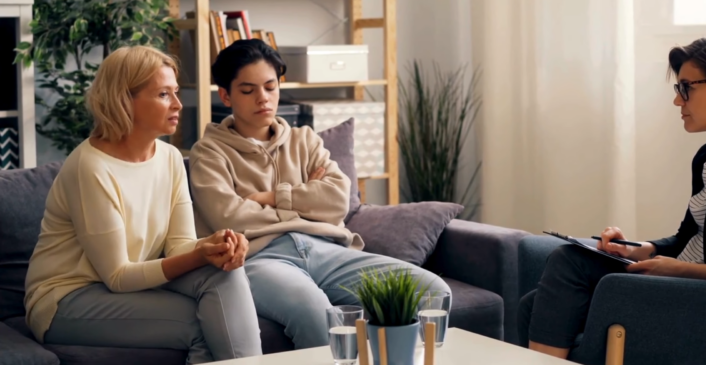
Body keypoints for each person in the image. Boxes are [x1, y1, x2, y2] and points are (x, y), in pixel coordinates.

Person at [518, 35, 706, 359]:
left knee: (569, 262)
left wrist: (681, 271)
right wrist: (639, 249)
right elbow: (689, 237)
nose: (678, 101)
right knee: (533, 304)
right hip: (681, 281)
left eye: (686, 88)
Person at [188, 39, 452, 349]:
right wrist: (307, 200)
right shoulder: (209, 152)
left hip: (327, 250)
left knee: (432, 290)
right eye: (248, 91)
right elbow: (229, 216)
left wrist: (269, 197)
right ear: (225, 96)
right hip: (261, 259)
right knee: (316, 312)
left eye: (271, 87)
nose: (263, 98)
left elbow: (338, 200)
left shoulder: (305, 140)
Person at [24, 46, 262, 364]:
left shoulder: (171, 158)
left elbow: (179, 246)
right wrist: (200, 254)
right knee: (206, 322)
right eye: (164, 94)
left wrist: (216, 245)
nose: (178, 104)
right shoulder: (91, 167)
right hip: (68, 298)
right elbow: (119, 276)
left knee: (226, 275)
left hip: (125, 286)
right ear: (124, 100)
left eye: (175, 92)